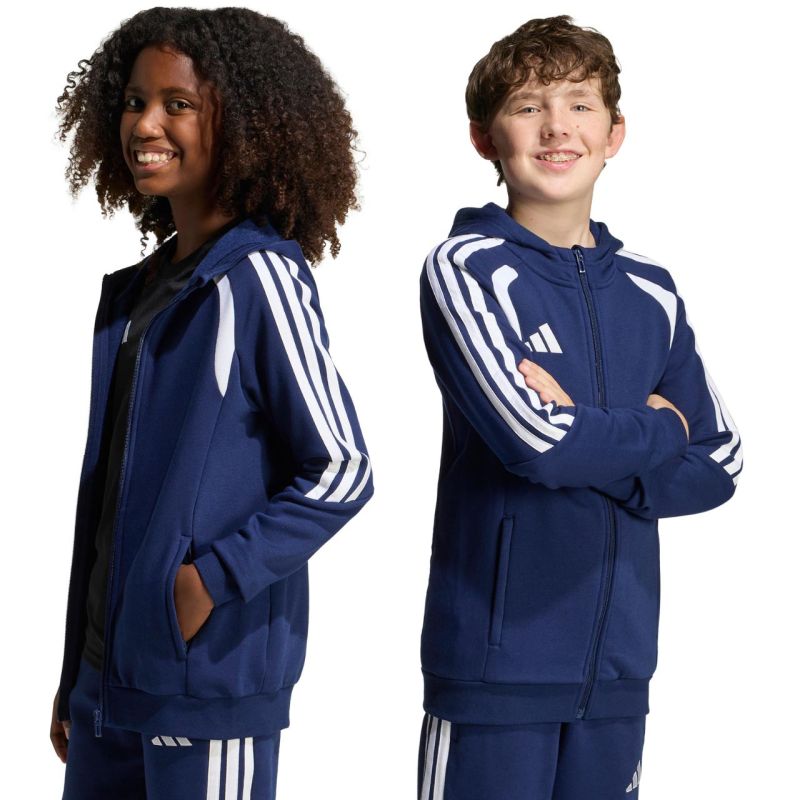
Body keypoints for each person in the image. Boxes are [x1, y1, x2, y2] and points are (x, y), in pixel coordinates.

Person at [49, 8, 373, 799]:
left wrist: (206, 584)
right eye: (133, 102)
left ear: (246, 123)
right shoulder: (138, 296)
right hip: (108, 682)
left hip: (206, 687)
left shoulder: (260, 279)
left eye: (178, 104)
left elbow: (342, 468)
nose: (145, 124)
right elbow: (112, 497)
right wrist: (74, 670)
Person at [417, 15, 742, 800]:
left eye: (580, 104)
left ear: (614, 133)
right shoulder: (467, 269)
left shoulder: (652, 290)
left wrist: (594, 442)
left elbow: (722, 462)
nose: (557, 127)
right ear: (484, 138)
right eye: (528, 106)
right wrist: (661, 427)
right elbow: (538, 444)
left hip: (618, 673)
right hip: (495, 671)